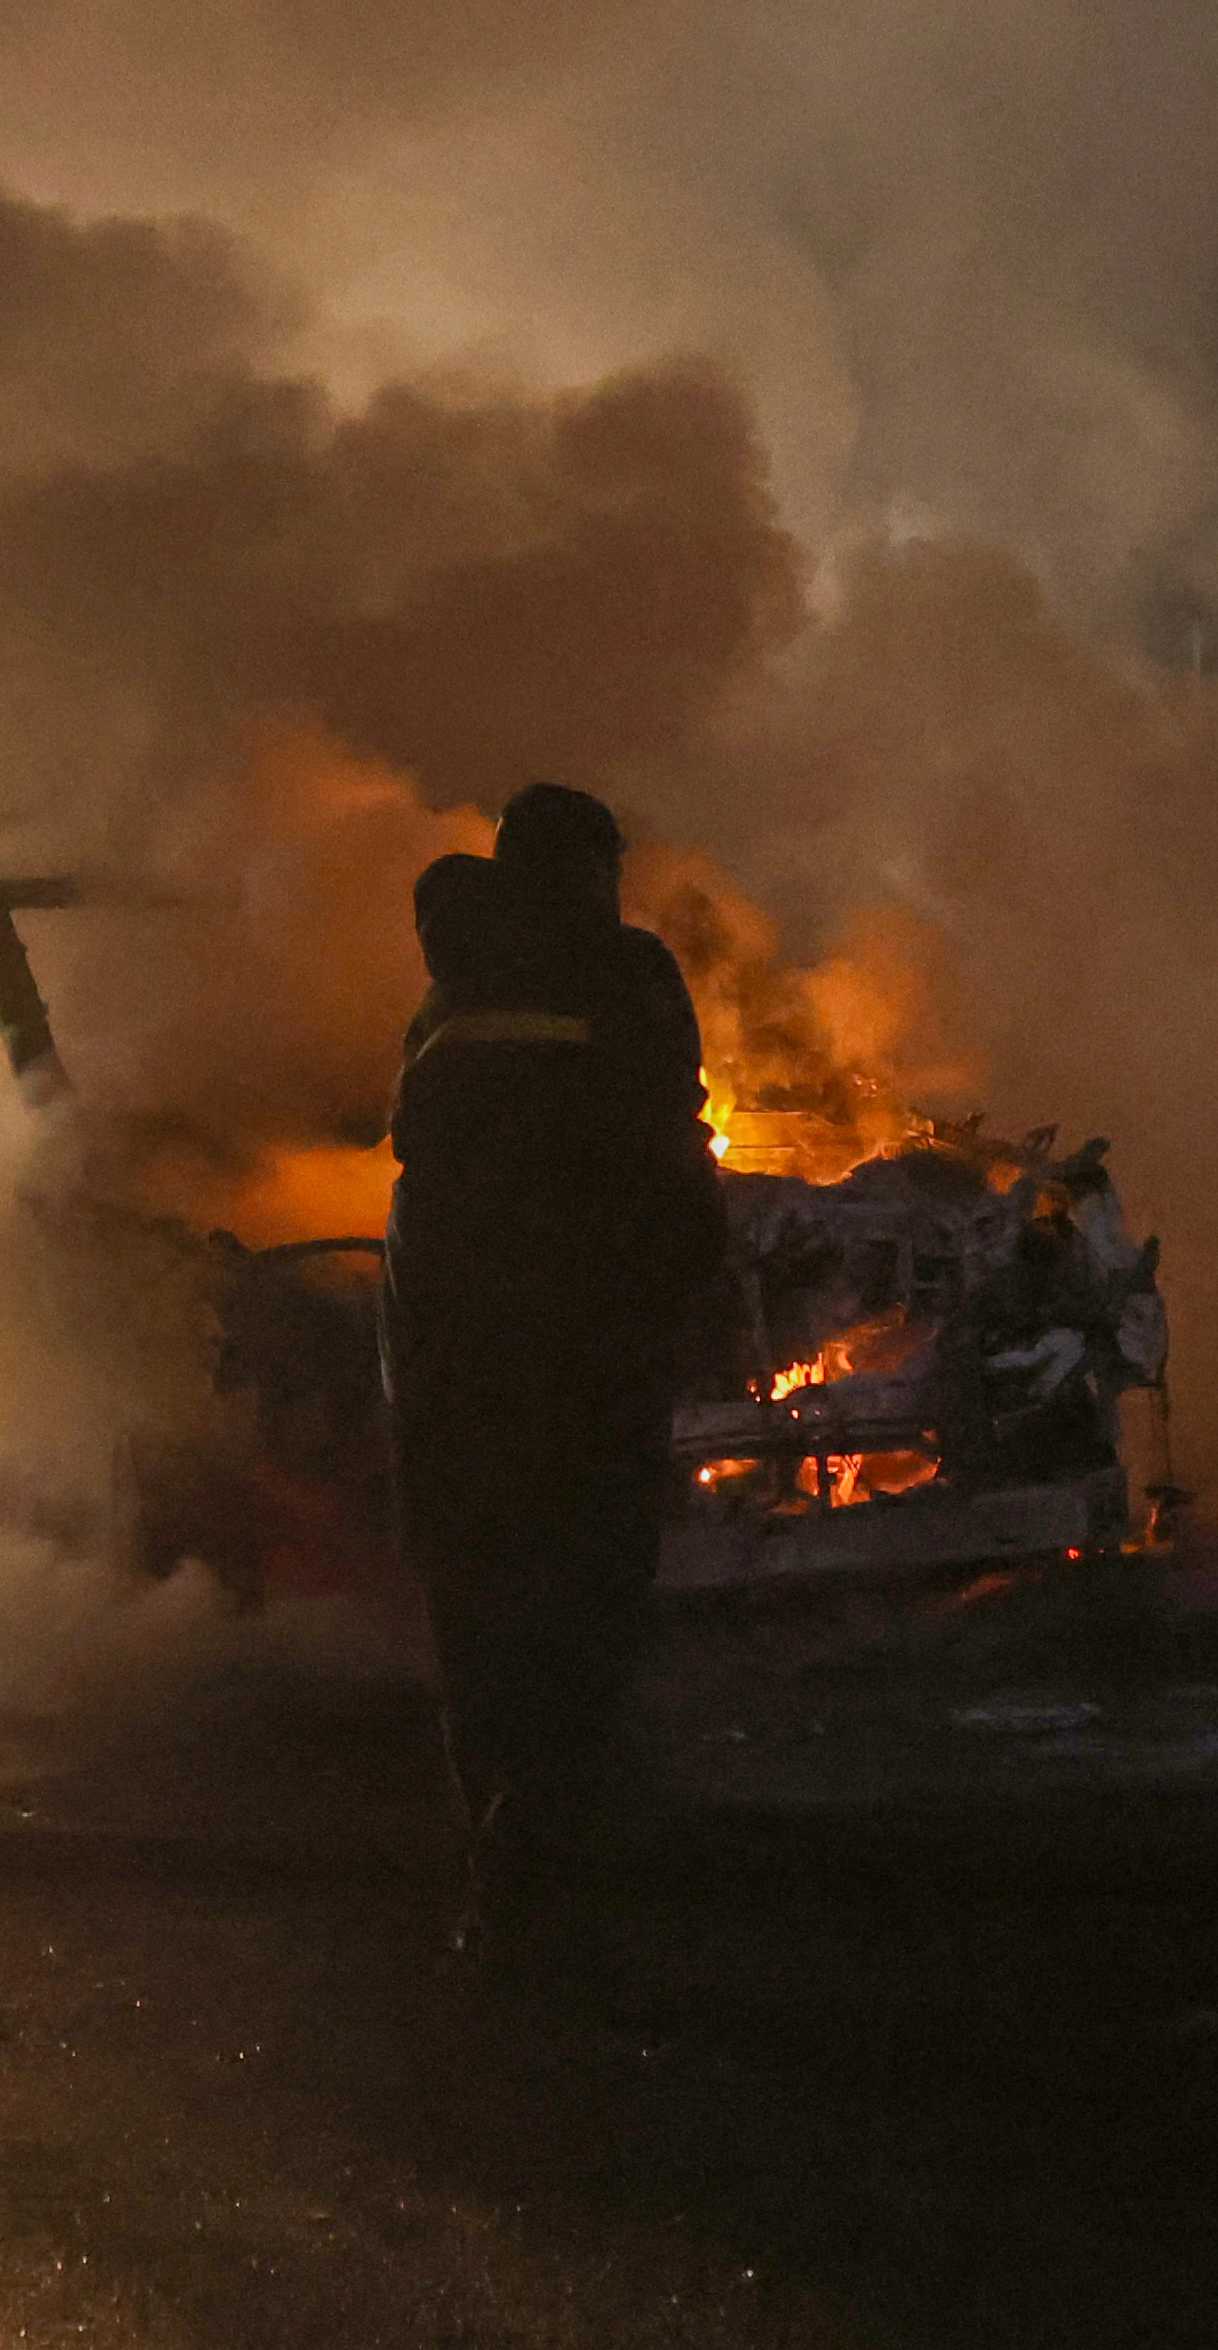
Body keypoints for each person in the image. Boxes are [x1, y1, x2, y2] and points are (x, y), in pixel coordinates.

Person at [382, 784, 725, 1970]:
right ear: (583, 868)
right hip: (585, 1369)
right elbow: (670, 1147)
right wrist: (695, 1298)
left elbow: (421, 1189)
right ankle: (564, 1879)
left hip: (455, 1374)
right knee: (581, 1622)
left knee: (479, 1631)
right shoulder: (623, 975)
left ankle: (494, 1883)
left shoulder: (449, 990)